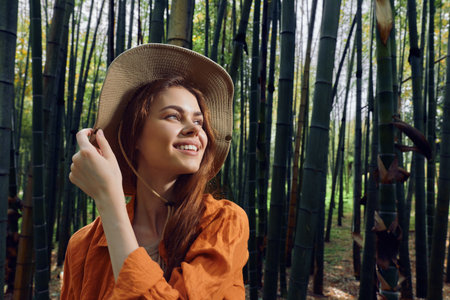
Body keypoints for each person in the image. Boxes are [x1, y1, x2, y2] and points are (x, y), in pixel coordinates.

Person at [61, 44, 249, 299]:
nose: (194, 129)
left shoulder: (223, 223)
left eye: (198, 121)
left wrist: (110, 199)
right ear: (135, 134)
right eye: (173, 116)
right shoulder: (83, 245)